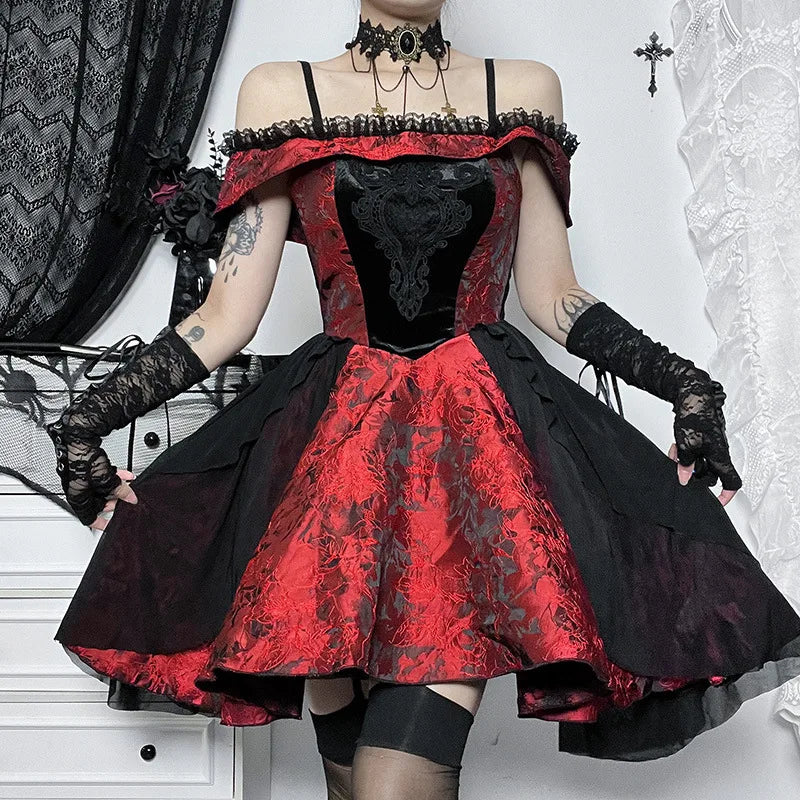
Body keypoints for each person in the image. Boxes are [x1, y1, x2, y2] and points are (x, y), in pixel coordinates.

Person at [44, 0, 800, 797]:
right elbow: (228, 314)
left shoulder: (522, 89)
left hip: (472, 471)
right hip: (331, 480)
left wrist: (686, 382)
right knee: (351, 784)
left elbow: (553, 295)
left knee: (394, 784)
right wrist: (90, 417)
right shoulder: (282, 94)